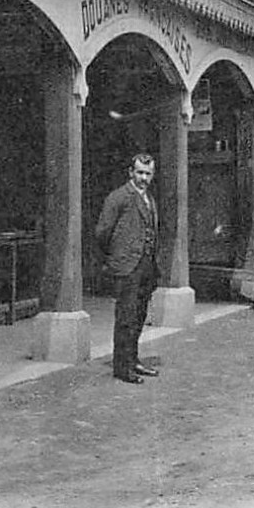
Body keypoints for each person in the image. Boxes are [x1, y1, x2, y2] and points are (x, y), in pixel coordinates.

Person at [94, 153, 161, 384]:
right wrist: (116, 258)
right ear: (130, 172)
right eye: (139, 172)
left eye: (148, 174)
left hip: (145, 266)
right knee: (126, 317)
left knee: (139, 315)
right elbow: (102, 233)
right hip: (126, 267)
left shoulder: (149, 199)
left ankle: (133, 360)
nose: (143, 178)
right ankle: (122, 368)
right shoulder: (118, 198)